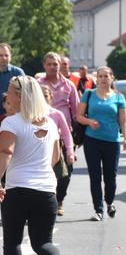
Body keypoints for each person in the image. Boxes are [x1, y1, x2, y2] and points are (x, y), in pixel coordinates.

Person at [0, 76, 70, 255]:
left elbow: (6, 153)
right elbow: (55, 158)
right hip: (47, 190)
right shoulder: (49, 123)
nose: (7, 95)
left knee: (12, 241)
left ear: (19, 96)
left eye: (9, 91)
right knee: (43, 242)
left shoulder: (11, 123)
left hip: (18, 189)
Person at [75, 67, 126, 221]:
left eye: (107, 76)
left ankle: (110, 202)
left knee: (110, 177)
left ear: (112, 78)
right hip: (92, 140)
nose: (104, 79)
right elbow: (78, 116)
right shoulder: (89, 94)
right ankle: (98, 209)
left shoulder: (119, 97)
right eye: (101, 76)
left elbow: (124, 121)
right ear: (97, 79)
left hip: (112, 141)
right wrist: (89, 121)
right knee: (95, 176)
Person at [41, 87, 75, 217]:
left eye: (46, 96)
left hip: (57, 149)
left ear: (51, 98)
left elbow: (66, 135)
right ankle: (46, 206)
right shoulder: (31, 114)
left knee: (64, 177)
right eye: (40, 96)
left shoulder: (56, 114)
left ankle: (59, 199)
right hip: (39, 150)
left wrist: (70, 152)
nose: (43, 98)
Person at [0, 43, 25, 121]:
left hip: (14, 117)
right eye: (0, 55)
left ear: (11, 56)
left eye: (6, 55)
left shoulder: (18, 73)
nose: (4, 58)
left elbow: (25, 94)